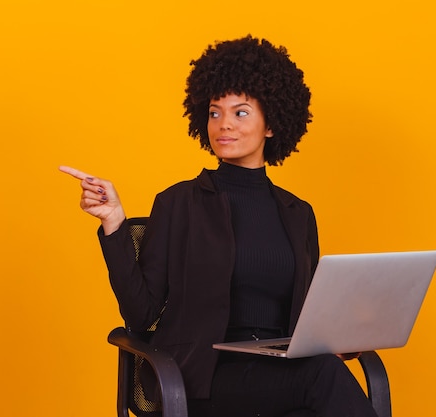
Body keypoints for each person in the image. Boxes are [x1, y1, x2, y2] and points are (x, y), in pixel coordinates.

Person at [60, 35, 377, 417]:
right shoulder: (179, 203)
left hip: (280, 372)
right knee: (323, 378)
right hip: (204, 376)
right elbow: (141, 315)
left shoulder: (298, 213)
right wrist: (114, 223)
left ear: (272, 124)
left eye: (240, 113)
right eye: (214, 112)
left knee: (321, 379)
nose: (223, 125)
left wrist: (339, 340)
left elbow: (307, 312)